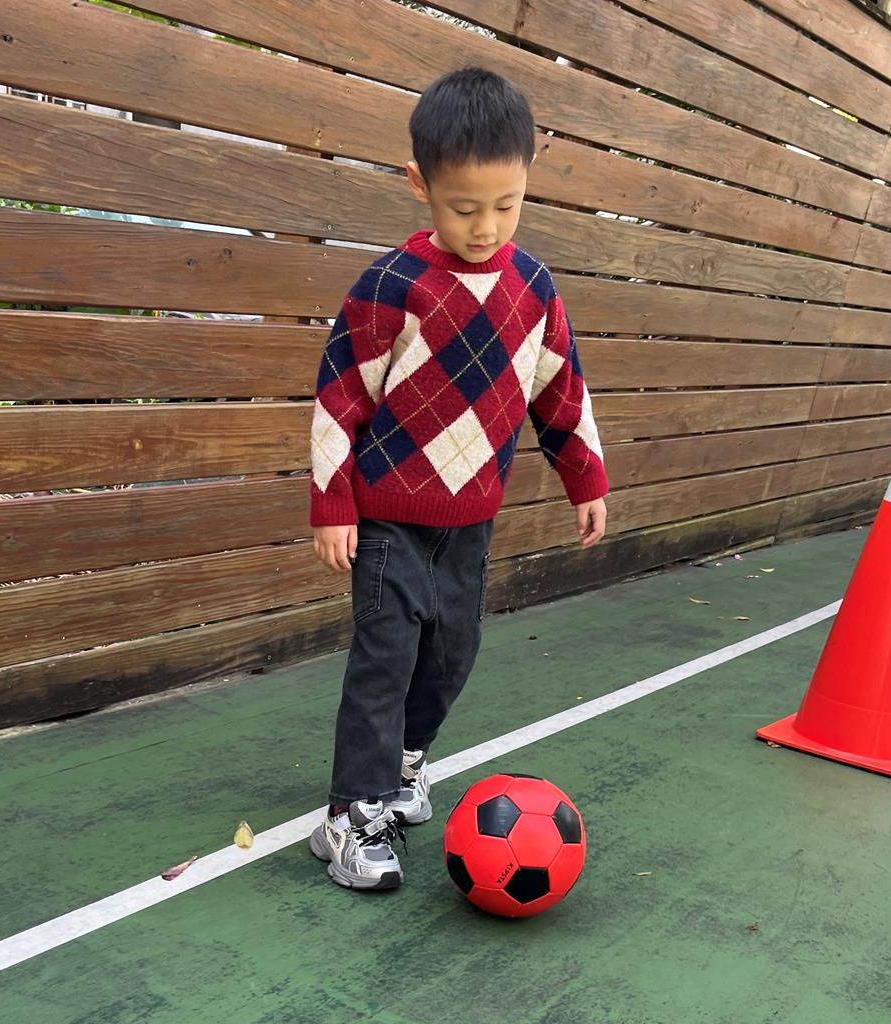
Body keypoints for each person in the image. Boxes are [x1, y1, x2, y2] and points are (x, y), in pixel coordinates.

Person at [307, 67, 608, 890]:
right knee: (385, 658)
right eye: (463, 207)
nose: (484, 227)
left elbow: (560, 391)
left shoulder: (532, 288)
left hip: (470, 522)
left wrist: (586, 481)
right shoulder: (389, 288)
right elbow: (339, 398)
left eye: (505, 206)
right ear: (420, 185)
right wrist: (332, 504)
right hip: (386, 521)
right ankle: (348, 815)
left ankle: (406, 762)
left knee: (452, 654)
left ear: (527, 180)